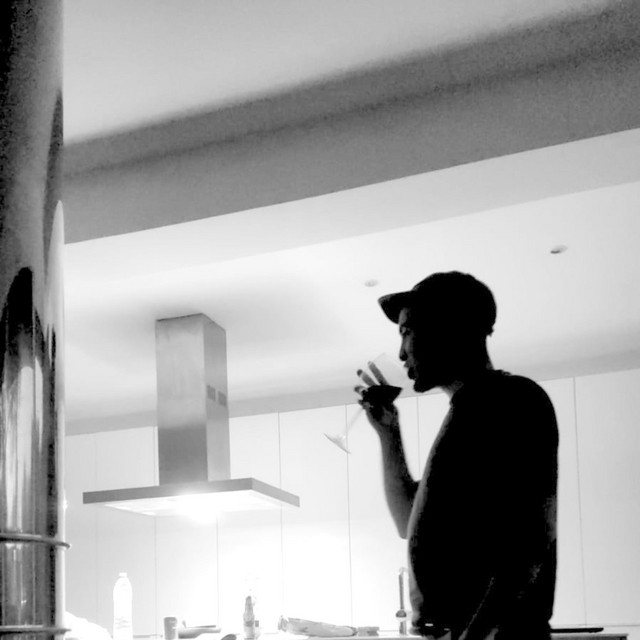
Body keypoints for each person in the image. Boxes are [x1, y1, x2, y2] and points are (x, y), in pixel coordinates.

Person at [355, 271, 558, 640]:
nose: (401, 352)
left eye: (406, 331)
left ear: (448, 328)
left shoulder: (513, 400)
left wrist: (474, 637)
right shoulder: (465, 414)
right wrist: (388, 433)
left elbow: (530, 541)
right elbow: (406, 522)